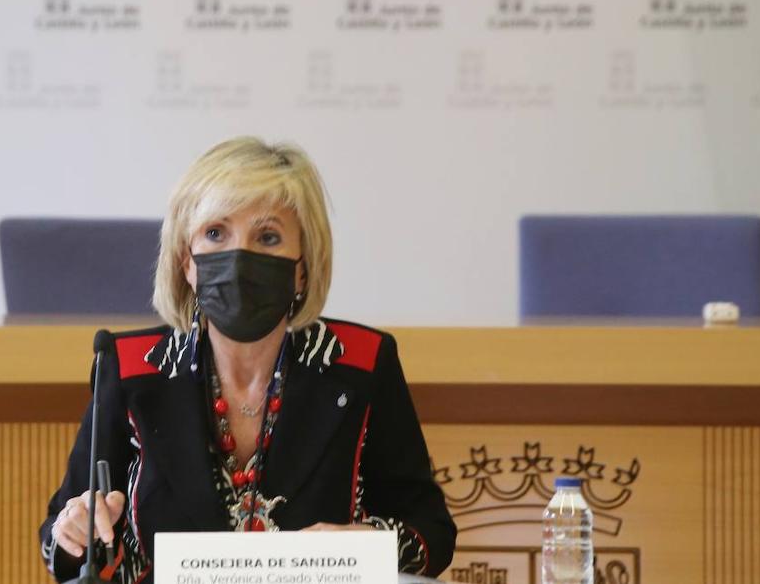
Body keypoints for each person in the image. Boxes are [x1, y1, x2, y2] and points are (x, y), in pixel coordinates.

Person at [39, 137, 456, 584]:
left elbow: (431, 532)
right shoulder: (131, 368)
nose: (239, 258)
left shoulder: (360, 365)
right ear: (186, 262)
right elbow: (60, 551)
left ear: (303, 267)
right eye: (215, 233)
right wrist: (78, 530)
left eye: (268, 237)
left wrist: (367, 544)